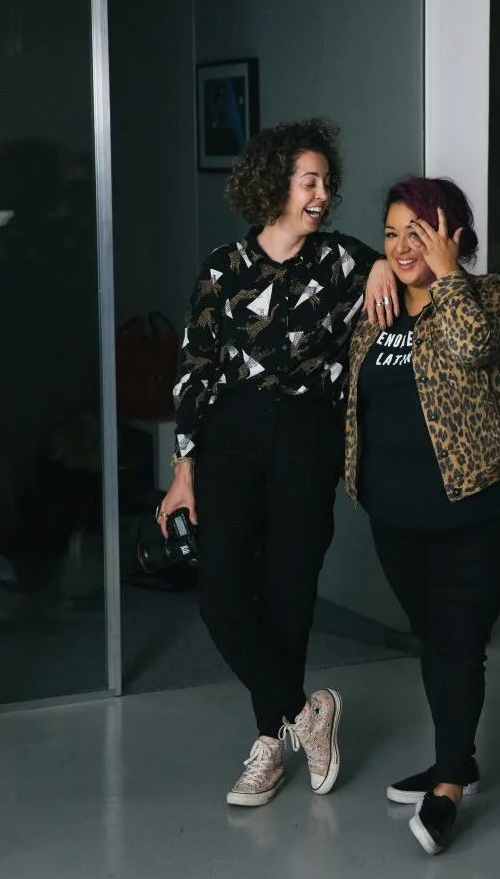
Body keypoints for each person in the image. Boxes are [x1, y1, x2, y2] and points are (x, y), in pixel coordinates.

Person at [158, 118, 397, 807]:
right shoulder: (222, 267)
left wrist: (383, 263)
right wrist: (183, 471)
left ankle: (269, 743)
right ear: (273, 185)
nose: (321, 195)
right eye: (308, 182)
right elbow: (194, 370)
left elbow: (397, 274)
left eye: (326, 182)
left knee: (290, 593)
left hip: (305, 437)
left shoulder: (346, 261)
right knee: (221, 595)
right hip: (230, 438)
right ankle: (304, 711)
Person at [344, 176, 500, 855]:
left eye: (418, 233)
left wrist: (447, 275)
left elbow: (473, 346)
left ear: (453, 235)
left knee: (458, 640)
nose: (402, 246)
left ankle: (450, 784)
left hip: (479, 505)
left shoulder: (492, 296)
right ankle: (457, 758)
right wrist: (377, 264)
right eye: (391, 234)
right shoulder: (376, 304)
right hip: (397, 513)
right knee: (433, 638)